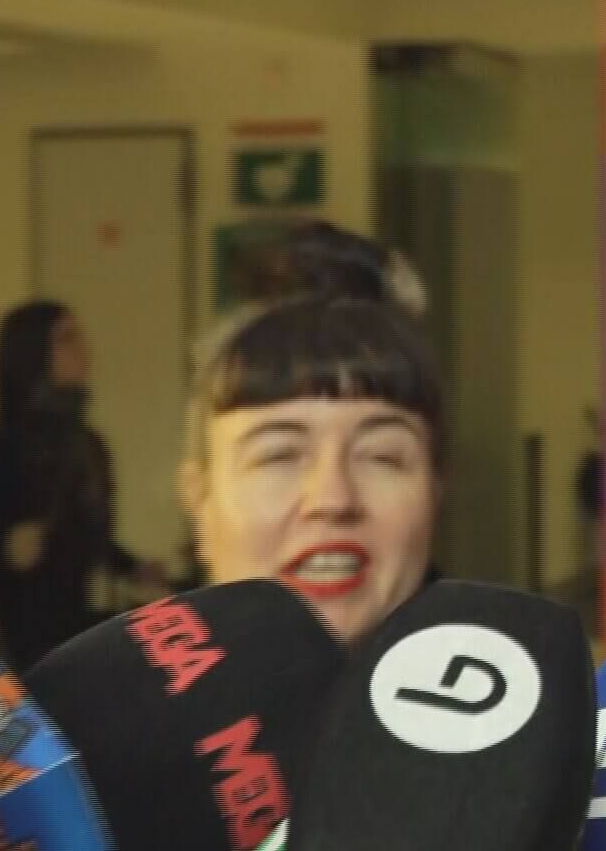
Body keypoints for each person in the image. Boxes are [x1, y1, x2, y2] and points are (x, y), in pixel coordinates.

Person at [178, 239, 442, 642]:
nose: (333, 500)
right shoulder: (98, 701)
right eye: (279, 455)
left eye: (382, 456)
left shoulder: (537, 693)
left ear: (436, 490)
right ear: (198, 496)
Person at [0, 302, 160, 670]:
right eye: (67, 338)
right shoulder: (2, 458)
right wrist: (4, 550)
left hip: (78, 632)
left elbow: (83, 537)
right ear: (33, 353)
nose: (84, 348)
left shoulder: (89, 447)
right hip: (21, 646)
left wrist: (132, 566)